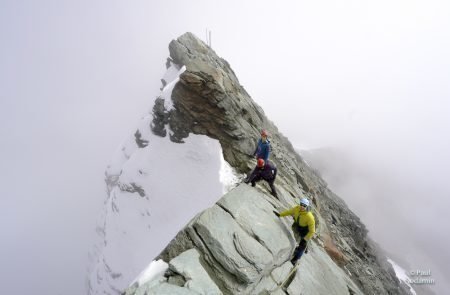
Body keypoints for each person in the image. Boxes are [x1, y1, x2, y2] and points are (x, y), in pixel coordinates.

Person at [274, 198, 315, 265]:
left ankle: (296, 258)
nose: (302, 206)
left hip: (305, 230)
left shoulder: (310, 217)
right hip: (296, 226)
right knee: (298, 240)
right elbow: (289, 212)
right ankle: (301, 245)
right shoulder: (296, 208)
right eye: (301, 204)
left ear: (307, 206)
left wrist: (305, 239)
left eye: (304, 205)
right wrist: (280, 215)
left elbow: (312, 231)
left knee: (302, 245)